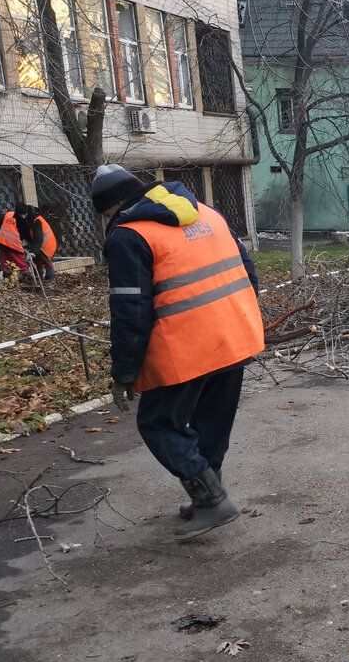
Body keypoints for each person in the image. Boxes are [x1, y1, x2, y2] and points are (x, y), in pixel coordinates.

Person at [91, 163, 265, 541]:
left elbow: (130, 312)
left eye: (104, 212)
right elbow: (250, 274)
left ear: (113, 205)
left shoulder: (128, 235)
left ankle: (211, 500)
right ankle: (209, 494)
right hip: (235, 335)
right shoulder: (207, 213)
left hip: (185, 349)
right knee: (212, 421)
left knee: (158, 423)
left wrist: (123, 371)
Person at [0, 202, 57, 281]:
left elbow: (38, 239)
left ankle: (48, 279)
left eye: (24, 215)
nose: (23, 216)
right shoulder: (23, 219)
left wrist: (32, 252)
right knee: (29, 263)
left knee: (45, 260)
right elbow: (24, 233)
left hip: (45, 244)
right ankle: (35, 279)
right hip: (17, 244)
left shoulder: (35, 221)